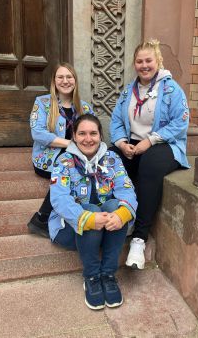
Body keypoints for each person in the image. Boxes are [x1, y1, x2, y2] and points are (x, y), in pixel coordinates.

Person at [109, 39, 190, 270]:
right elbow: (116, 120)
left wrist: (150, 141)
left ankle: (139, 239)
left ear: (158, 61)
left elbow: (180, 124)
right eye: (139, 61)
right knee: (111, 159)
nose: (144, 65)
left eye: (148, 60)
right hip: (132, 143)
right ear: (134, 64)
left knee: (149, 165)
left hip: (164, 142)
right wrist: (122, 143)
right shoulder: (128, 91)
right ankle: (120, 215)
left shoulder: (172, 90)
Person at [49, 114, 137, 310]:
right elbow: (59, 198)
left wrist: (122, 215)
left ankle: (108, 274)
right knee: (87, 208)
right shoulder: (64, 161)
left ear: (100, 136)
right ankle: (91, 276)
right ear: (73, 136)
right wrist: (86, 218)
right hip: (70, 231)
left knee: (116, 207)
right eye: (82, 133)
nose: (88, 139)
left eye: (93, 133)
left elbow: (126, 189)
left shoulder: (113, 158)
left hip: (107, 228)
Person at [28, 63, 94, 237]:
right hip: (47, 160)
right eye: (60, 77)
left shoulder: (84, 108)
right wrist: (69, 144)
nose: (65, 81)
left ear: (75, 81)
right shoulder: (42, 103)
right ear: (54, 81)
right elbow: (38, 133)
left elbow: (93, 134)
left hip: (77, 158)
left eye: (69, 77)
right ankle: (42, 217)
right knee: (71, 167)